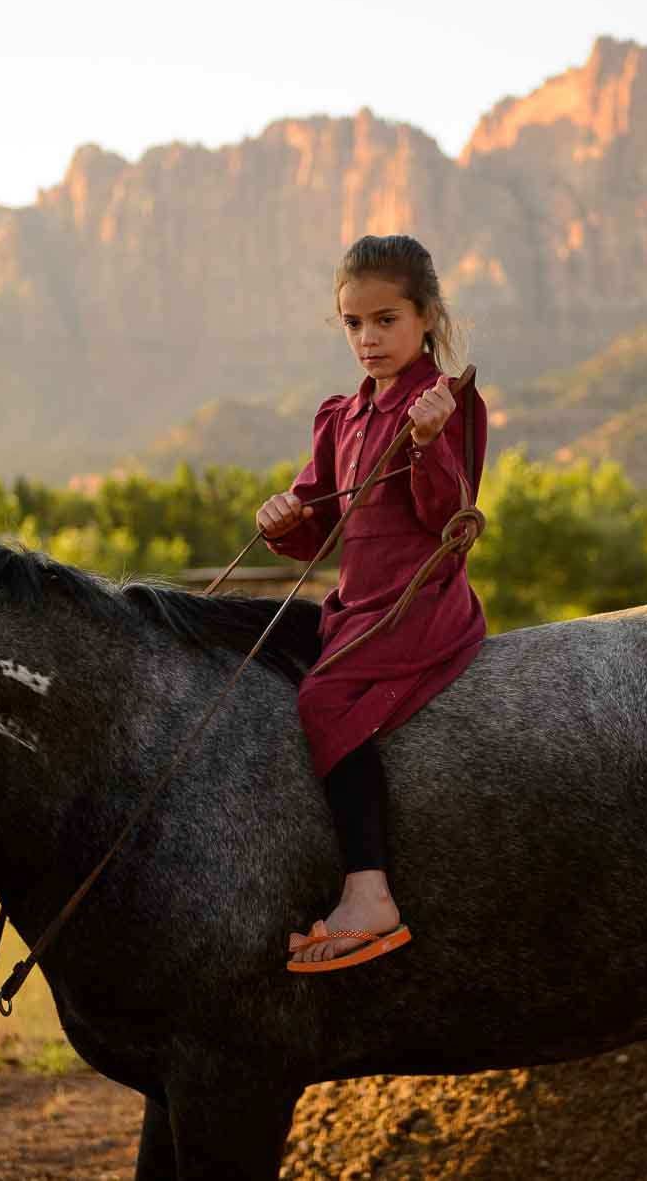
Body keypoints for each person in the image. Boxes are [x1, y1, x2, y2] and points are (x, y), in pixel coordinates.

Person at [258, 234, 490, 972]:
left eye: (385, 320)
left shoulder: (445, 404)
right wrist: (283, 519)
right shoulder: (340, 416)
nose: (367, 339)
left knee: (323, 700)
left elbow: (447, 521)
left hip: (416, 602)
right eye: (353, 324)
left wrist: (427, 441)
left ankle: (369, 895)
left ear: (425, 317)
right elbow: (316, 523)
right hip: (355, 605)